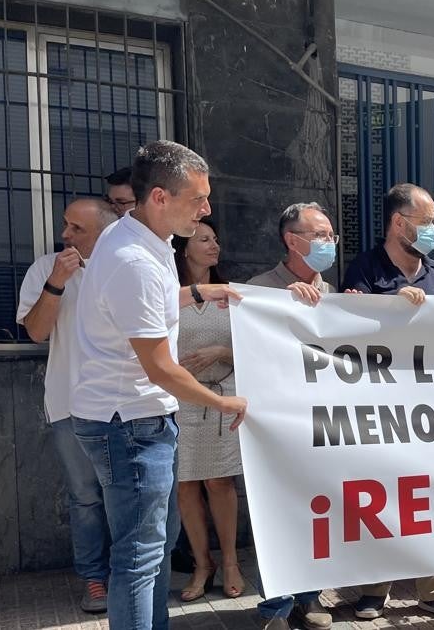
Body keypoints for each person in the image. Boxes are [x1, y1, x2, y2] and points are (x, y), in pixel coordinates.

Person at [70, 140, 247, 630]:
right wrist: (222, 400)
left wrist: (198, 291)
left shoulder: (135, 238)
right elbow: (161, 368)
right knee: (139, 558)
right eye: (198, 199)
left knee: (152, 548)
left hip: (130, 418)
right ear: (160, 199)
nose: (207, 209)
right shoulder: (136, 260)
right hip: (130, 422)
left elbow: (147, 304)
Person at [341, 183, 434, 622]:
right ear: (400, 223)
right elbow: (346, 330)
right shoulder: (364, 269)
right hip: (383, 407)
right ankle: (375, 591)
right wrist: (387, 304)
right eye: (427, 221)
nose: (433, 229)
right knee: (382, 496)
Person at [17, 198, 120, 613]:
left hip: (125, 404)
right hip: (70, 404)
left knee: (128, 497)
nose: (65, 235)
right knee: (86, 497)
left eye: (76, 228)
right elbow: (37, 332)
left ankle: (132, 577)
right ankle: (94, 580)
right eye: (65, 225)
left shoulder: (124, 266)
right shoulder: (46, 268)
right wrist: (57, 281)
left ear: (104, 231)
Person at [246, 202, 337, 630]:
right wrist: (285, 307)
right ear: (291, 240)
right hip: (278, 426)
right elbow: (253, 354)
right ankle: (274, 608)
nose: (328, 243)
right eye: (319, 236)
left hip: (324, 425)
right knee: (278, 514)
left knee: (318, 514)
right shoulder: (258, 290)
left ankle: (309, 596)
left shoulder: (335, 293)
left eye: (331, 236)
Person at [169, 219, 245, 602]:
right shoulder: (169, 293)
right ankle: (202, 563)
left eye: (215, 238)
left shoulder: (231, 295)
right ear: (184, 248)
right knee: (185, 485)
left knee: (220, 481)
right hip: (177, 398)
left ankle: (230, 561)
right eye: (203, 240)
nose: (213, 245)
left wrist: (222, 352)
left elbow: (256, 345)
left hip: (224, 393)